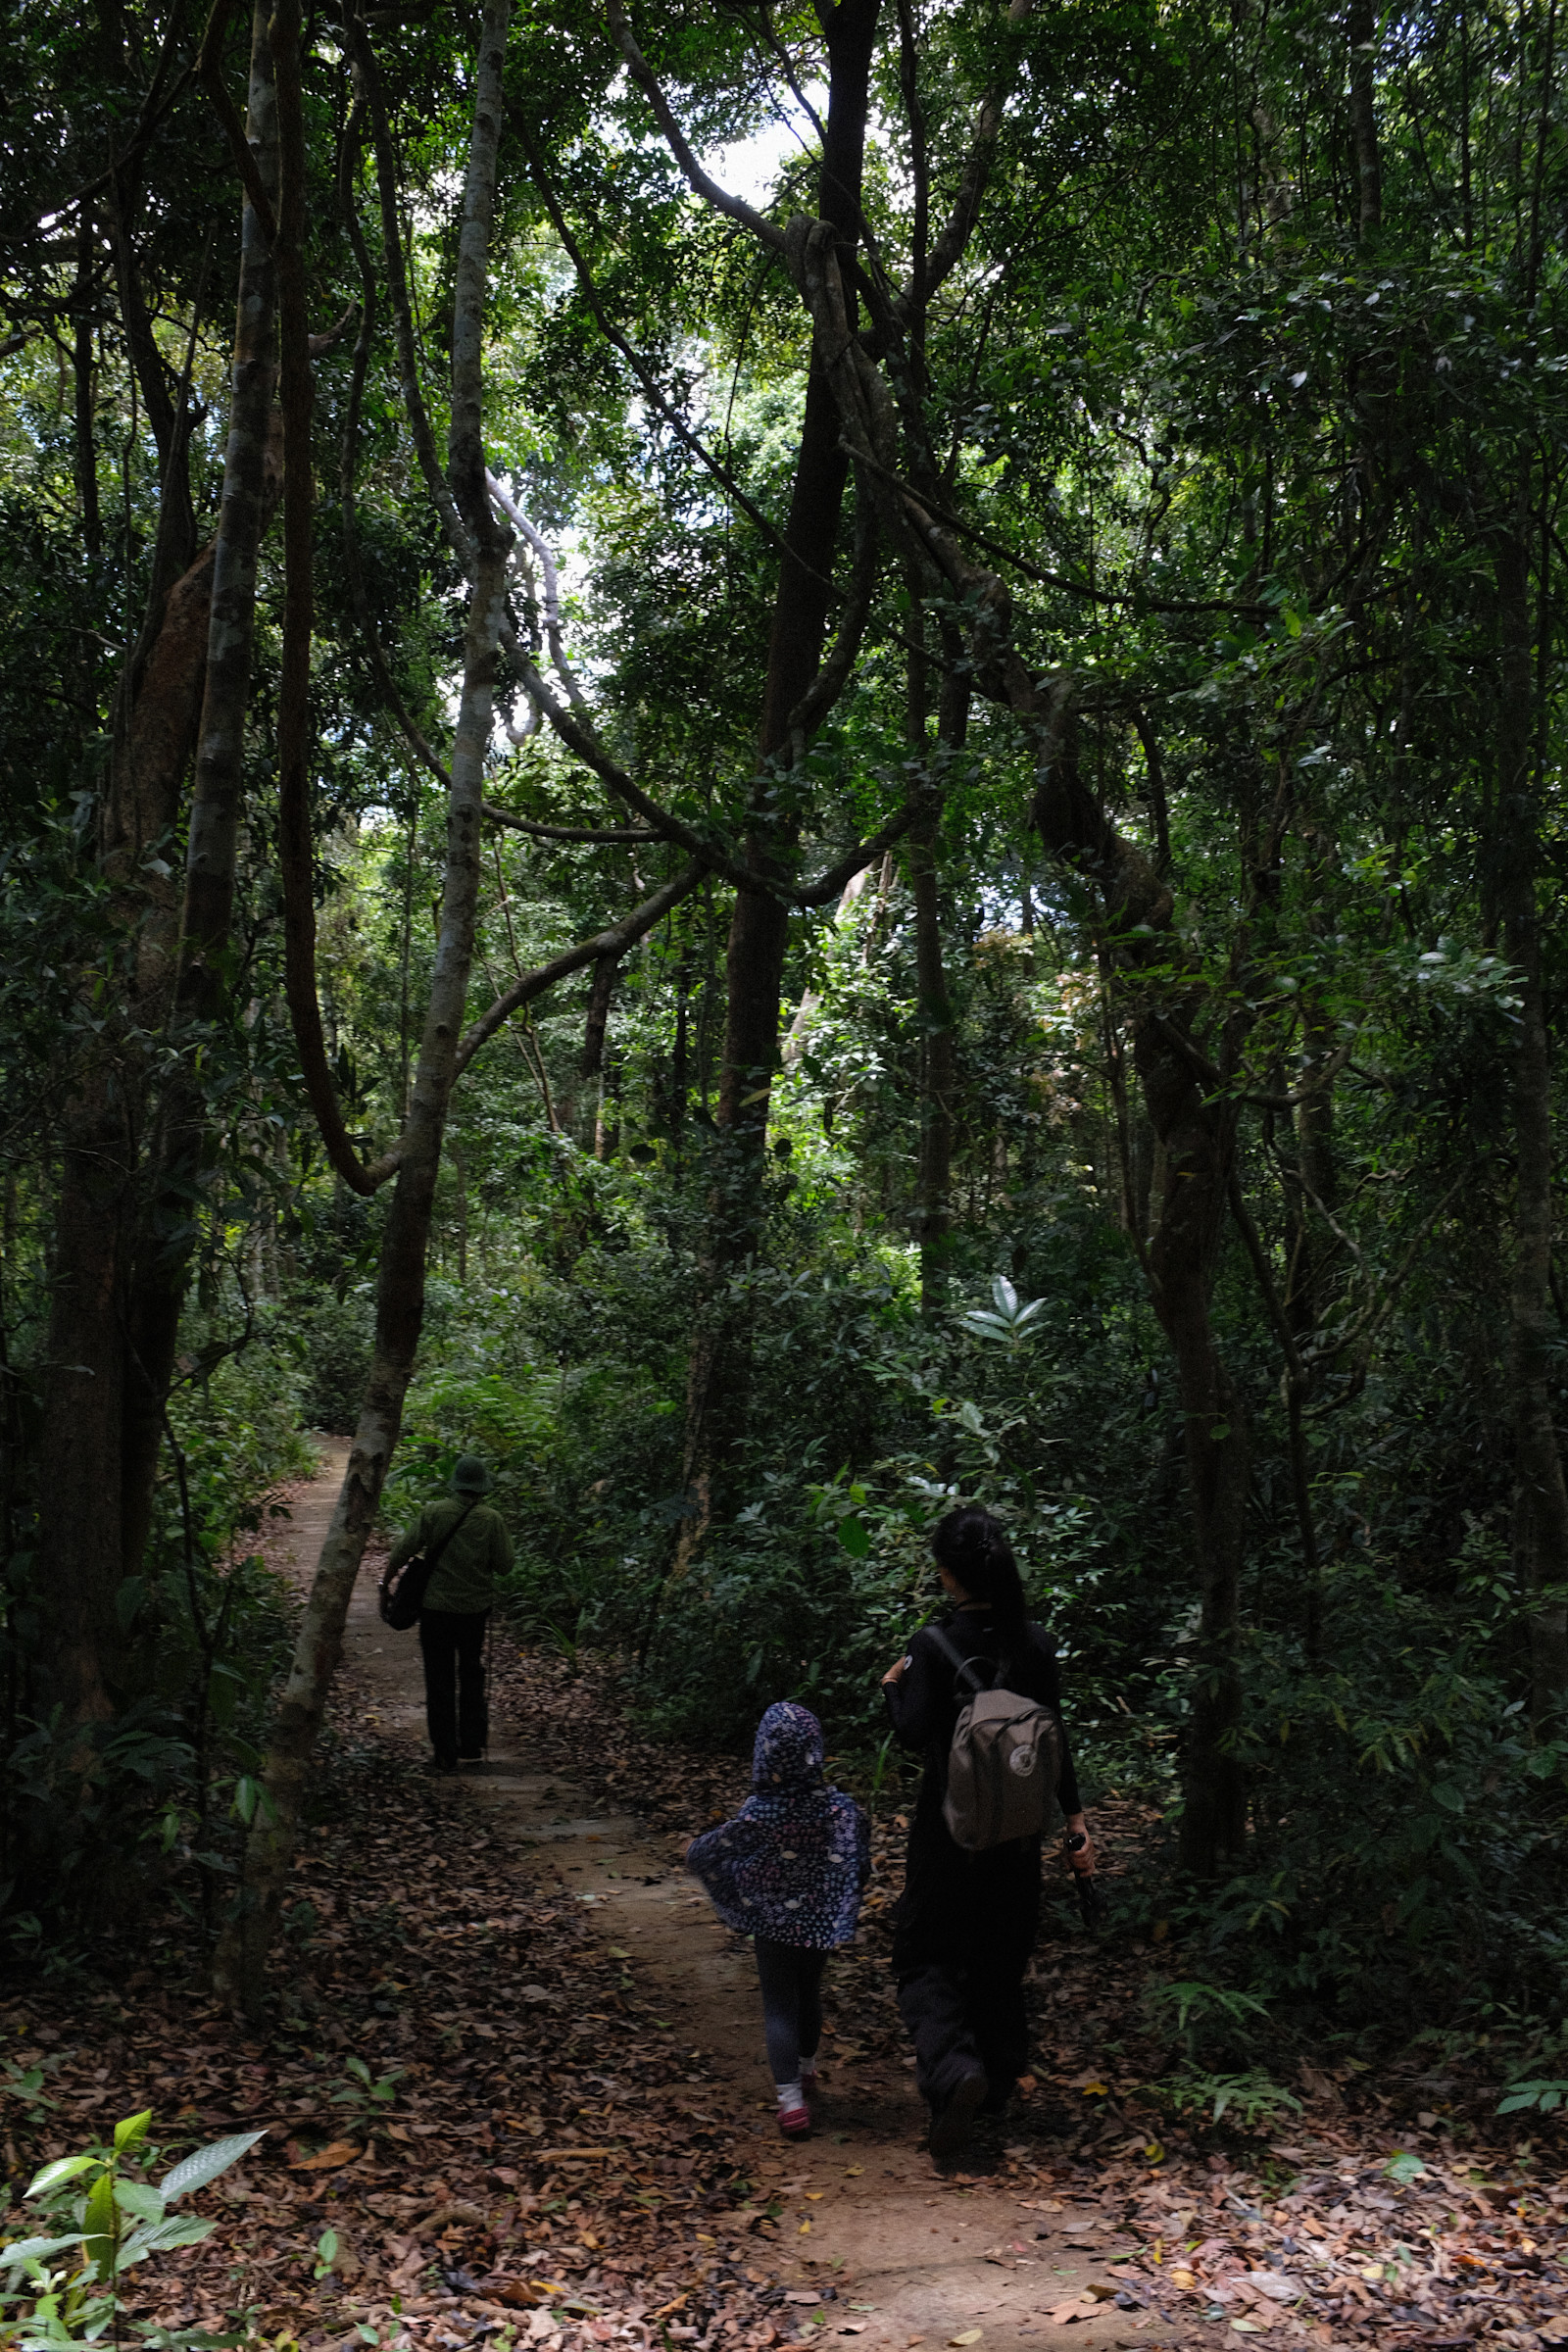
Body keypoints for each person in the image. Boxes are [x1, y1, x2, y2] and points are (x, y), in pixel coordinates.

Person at [882, 1503, 1095, 2161]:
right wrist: (1076, 1819)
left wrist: (893, 1688)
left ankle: (954, 2071)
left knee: (927, 1954)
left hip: (947, 1837)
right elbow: (1055, 1737)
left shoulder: (931, 1645)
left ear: (947, 1574)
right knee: (1000, 1956)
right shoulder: (1035, 1642)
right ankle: (998, 2079)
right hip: (1019, 1837)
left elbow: (913, 1732)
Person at [685, 1701, 870, 2140]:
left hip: (771, 1925)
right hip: (817, 1927)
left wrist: (698, 1856)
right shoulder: (840, 1808)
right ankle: (805, 2070)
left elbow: (712, 1850)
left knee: (778, 2004)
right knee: (808, 1993)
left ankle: (790, 2104)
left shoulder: (760, 1811)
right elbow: (858, 1855)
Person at [385, 1454, 514, 1774]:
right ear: (482, 1487)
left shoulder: (433, 1513)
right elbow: (506, 1565)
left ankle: (444, 1754)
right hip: (474, 1612)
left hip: (436, 1612)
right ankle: (471, 1745)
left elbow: (404, 1548)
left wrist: (385, 1581)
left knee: (439, 1679)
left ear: (456, 1483)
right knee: (471, 1674)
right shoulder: (492, 1519)